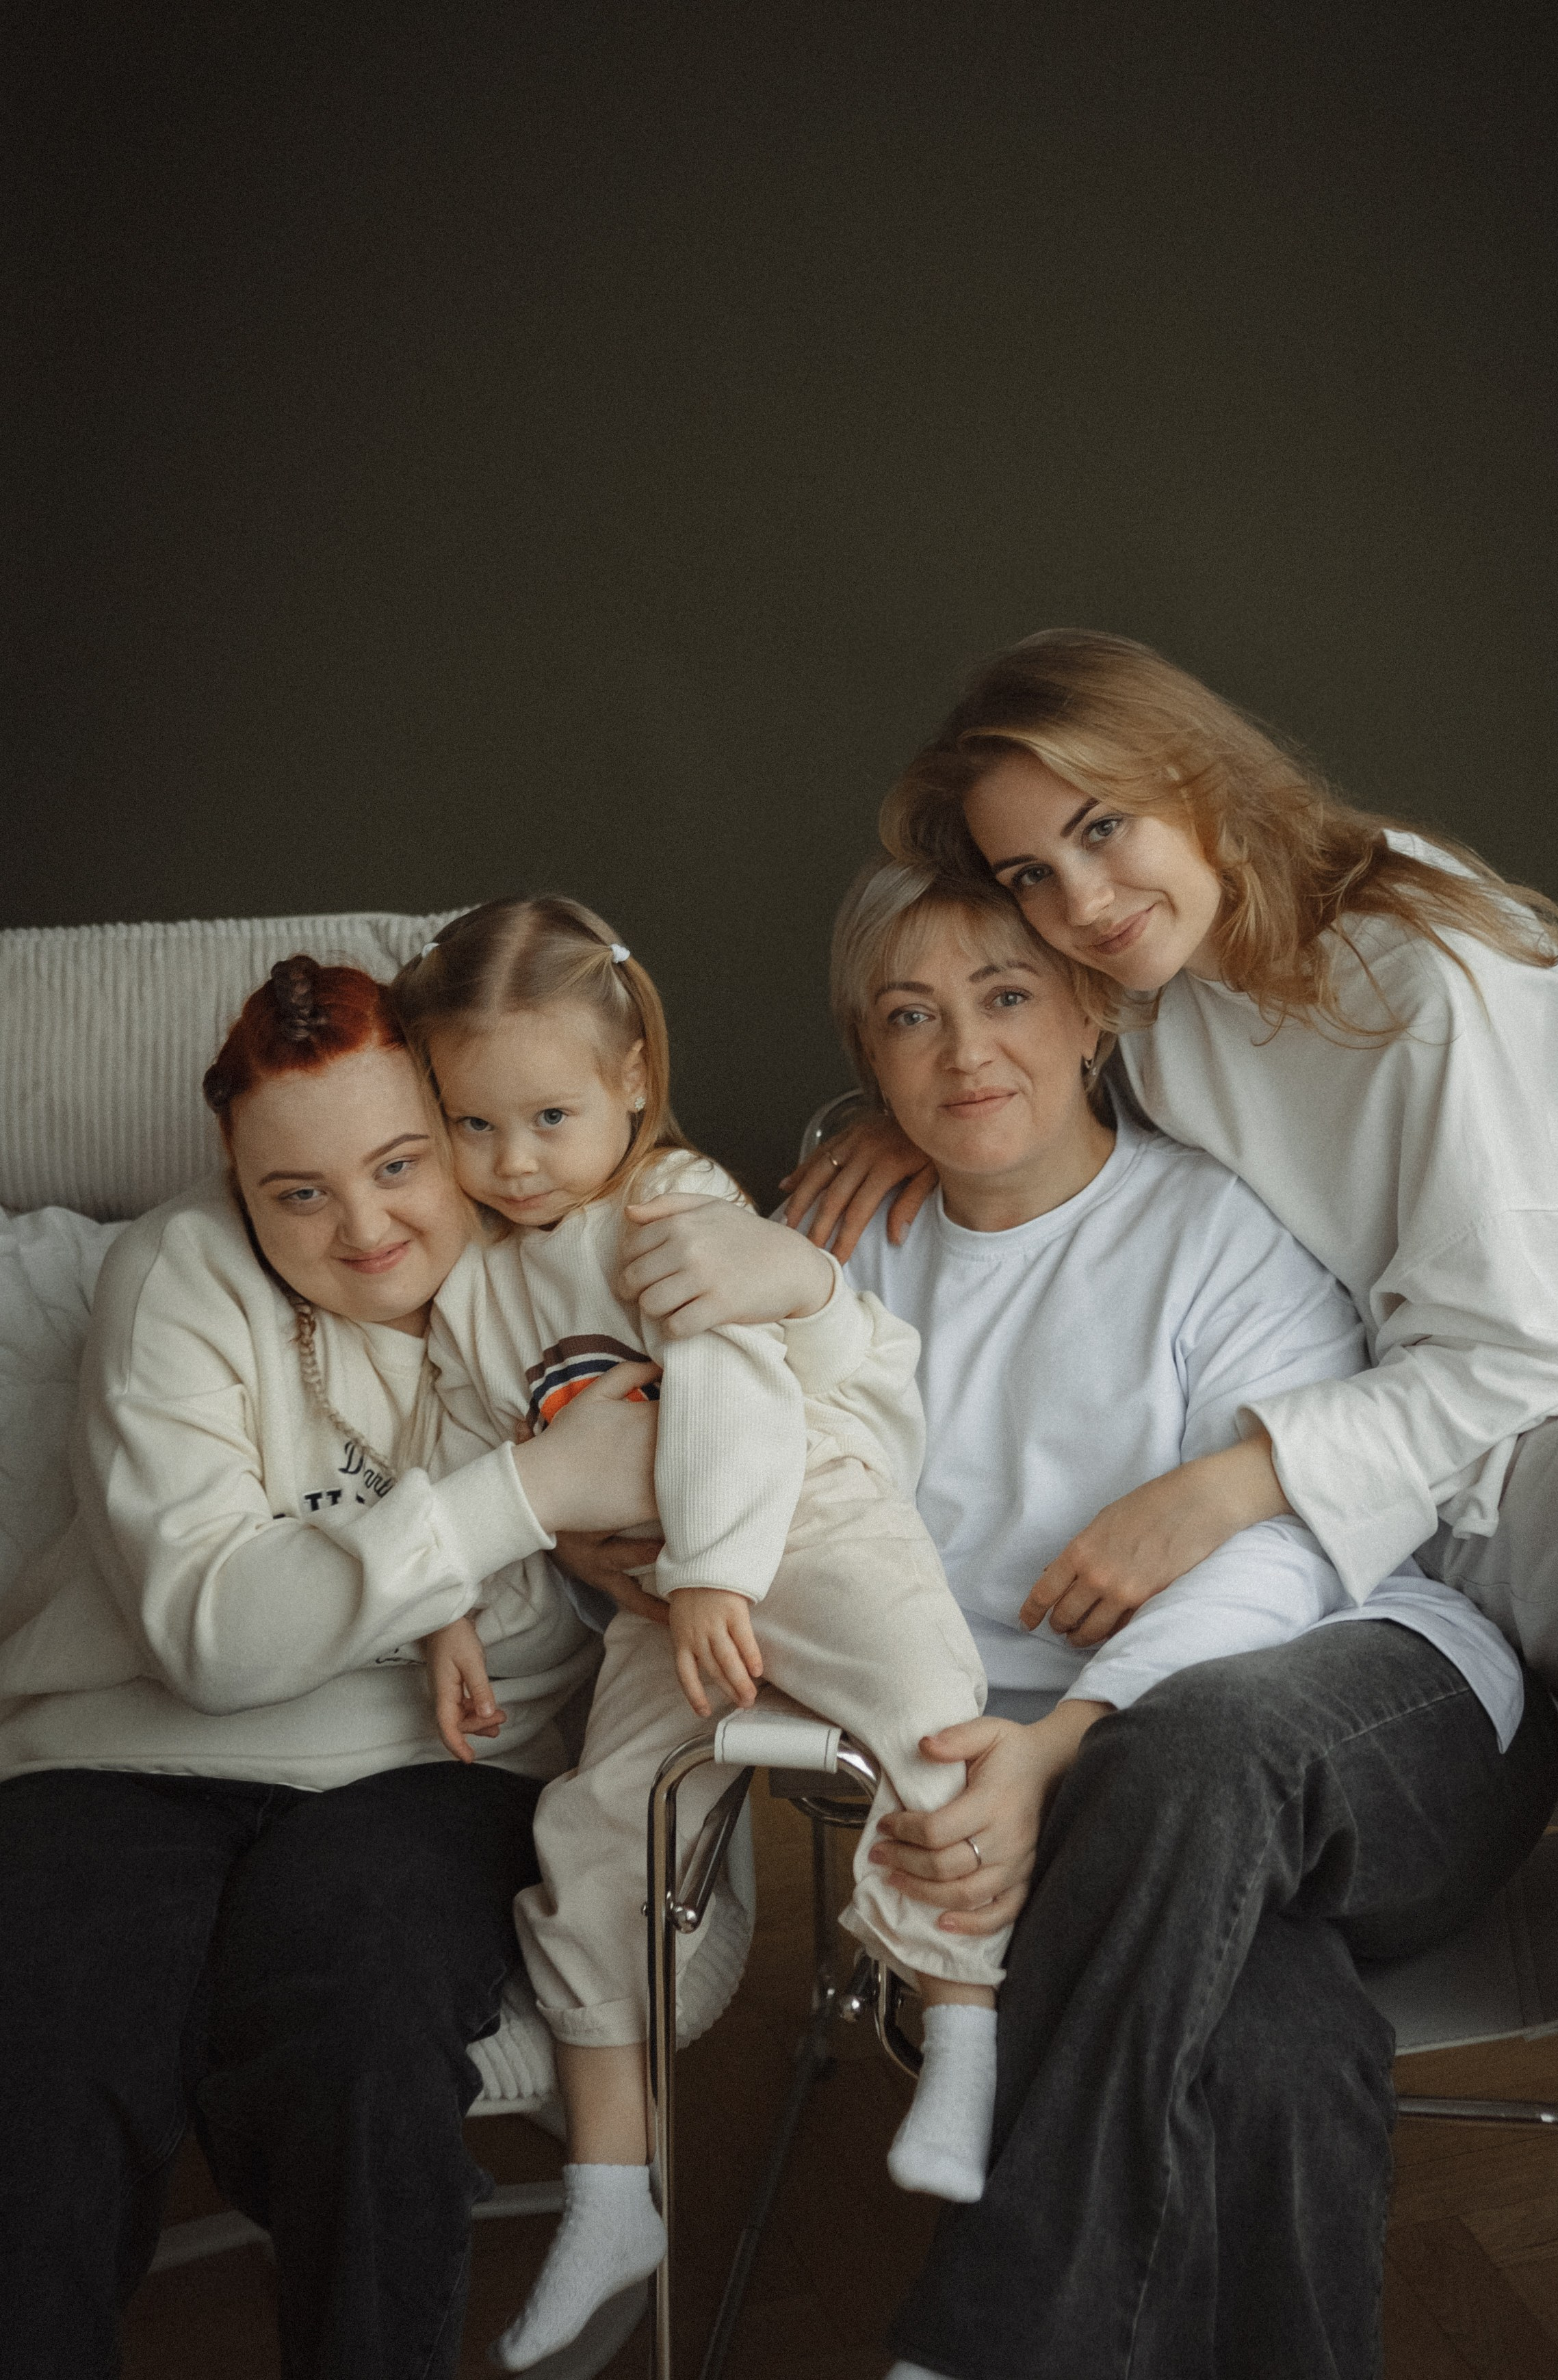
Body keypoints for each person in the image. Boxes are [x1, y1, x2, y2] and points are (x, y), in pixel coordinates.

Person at [628, 856, 1558, 2380]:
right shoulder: (830, 1260)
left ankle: (995, 2332)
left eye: (1004, 996)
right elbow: (752, 1506)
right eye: (909, 1018)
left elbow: (1287, 1550)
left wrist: (1058, 1741)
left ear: (1087, 1015)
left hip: (1366, 1720)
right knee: (1267, 2046)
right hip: (1070, 1809)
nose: (963, 1052)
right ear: (867, 1059)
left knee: (1192, 1741)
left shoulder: (1220, 1228)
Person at [0, 955, 874, 2380]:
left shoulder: (574, 1257)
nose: (364, 1229)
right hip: (118, 1752)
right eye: (296, 1193)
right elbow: (209, 1636)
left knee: (353, 2022)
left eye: (402, 1163)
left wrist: (808, 1298)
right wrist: (533, 1493)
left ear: (461, 1121)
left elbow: (809, 1433)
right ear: (236, 1177)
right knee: (41, 2061)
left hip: (440, 1763)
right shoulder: (176, 1270)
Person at [784, 627, 1558, 1734]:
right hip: (1428, 1446)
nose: (1083, 903)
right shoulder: (1157, 985)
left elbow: (1523, 1354)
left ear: (1196, 779)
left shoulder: (1421, 978)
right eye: (1030, 875)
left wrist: (1231, 1485)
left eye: (1102, 827)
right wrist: (925, 1116)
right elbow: (1018, 1045)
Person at [392, 896, 1014, 2373]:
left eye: (548, 1117)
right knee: (596, 1830)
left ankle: (964, 2031)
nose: (514, 1161)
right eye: (473, 1126)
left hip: (799, 1521)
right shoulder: (471, 1278)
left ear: (630, 1079)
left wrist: (721, 1574)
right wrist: (443, 1609)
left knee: (930, 1710)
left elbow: (732, 1384)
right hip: (665, 1596)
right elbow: (458, 1449)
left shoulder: (669, 1201)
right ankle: (614, 2191)